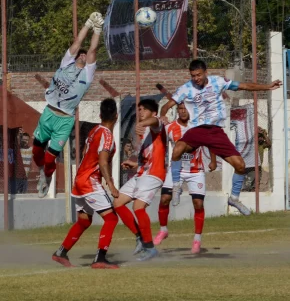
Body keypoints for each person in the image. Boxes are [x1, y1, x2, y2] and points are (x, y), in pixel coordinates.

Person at [160, 59, 282, 215]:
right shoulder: (186, 88)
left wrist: (268, 86)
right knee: (178, 148)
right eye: (193, 76)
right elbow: (166, 106)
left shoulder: (218, 82)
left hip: (216, 132)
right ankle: (176, 185)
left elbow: (244, 86)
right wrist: (163, 116)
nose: (196, 78)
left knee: (240, 165)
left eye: (198, 75)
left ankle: (234, 199)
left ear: (205, 72)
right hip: (197, 130)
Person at [32, 12, 104, 198]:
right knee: (37, 154)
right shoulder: (65, 64)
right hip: (48, 114)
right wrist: (88, 24)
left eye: (84, 54)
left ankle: (47, 176)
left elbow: (93, 50)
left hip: (64, 121)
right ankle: (43, 171)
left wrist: (98, 30)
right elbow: (77, 43)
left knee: (49, 159)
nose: (82, 54)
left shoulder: (87, 76)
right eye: (80, 53)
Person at [52, 98, 120, 269]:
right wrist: (111, 184)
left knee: (84, 221)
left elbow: (84, 152)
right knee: (111, 218)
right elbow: (103, 162)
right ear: (117, 116)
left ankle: (61, 253)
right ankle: (100, 259)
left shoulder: (94, 130)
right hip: (90, 182)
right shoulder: (107, 135)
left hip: (80, 179)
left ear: (99, 115)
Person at [153, 103, 216, 253]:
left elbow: (211, 142)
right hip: (176, 170)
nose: (183, 111)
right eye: (180, 108)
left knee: (198, 203)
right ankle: (163, 230)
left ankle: (197, 240)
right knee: (164, 199)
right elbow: (161, 121)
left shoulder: (198, 127)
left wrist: (213, 160)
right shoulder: (170, 128)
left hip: (196, 171)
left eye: (186, 108)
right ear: (177, 110)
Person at [114, 99, 167, 261]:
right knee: (117, 202)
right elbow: (147, 158)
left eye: (143, 109)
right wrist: (134, 163)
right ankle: (139, 238)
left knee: (138, 207)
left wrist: (146, 122)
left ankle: (150, 248)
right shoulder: (143, 133)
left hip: (154, 175)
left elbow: (156, 120)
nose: (140, 112)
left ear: (153, 112)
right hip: (142, 173)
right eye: (139, 110)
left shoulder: (156, 126)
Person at [18, 129, 33, 194]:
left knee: (24, 194)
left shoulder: (31, 149)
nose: (25, 141)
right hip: (18, 176)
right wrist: (19, 135)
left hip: (26, 176)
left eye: (26, 140)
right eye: (23, 139)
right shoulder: (18, 149)